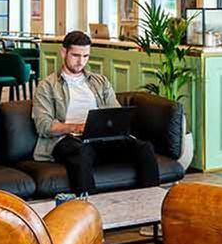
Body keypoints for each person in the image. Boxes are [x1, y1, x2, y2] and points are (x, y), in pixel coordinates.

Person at [32, 30, 158, 194]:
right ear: (64, 52)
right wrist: (77, 127)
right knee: (82, 152)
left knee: (144, 147)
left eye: (86, 56)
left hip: (100, 138)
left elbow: (115, 113)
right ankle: (88, 206)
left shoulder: (100, 82)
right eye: (76, 55)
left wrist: (114, 125)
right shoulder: (47, 86)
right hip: (67, 140)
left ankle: (150, 201)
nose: (81, 62)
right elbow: (43, 126)